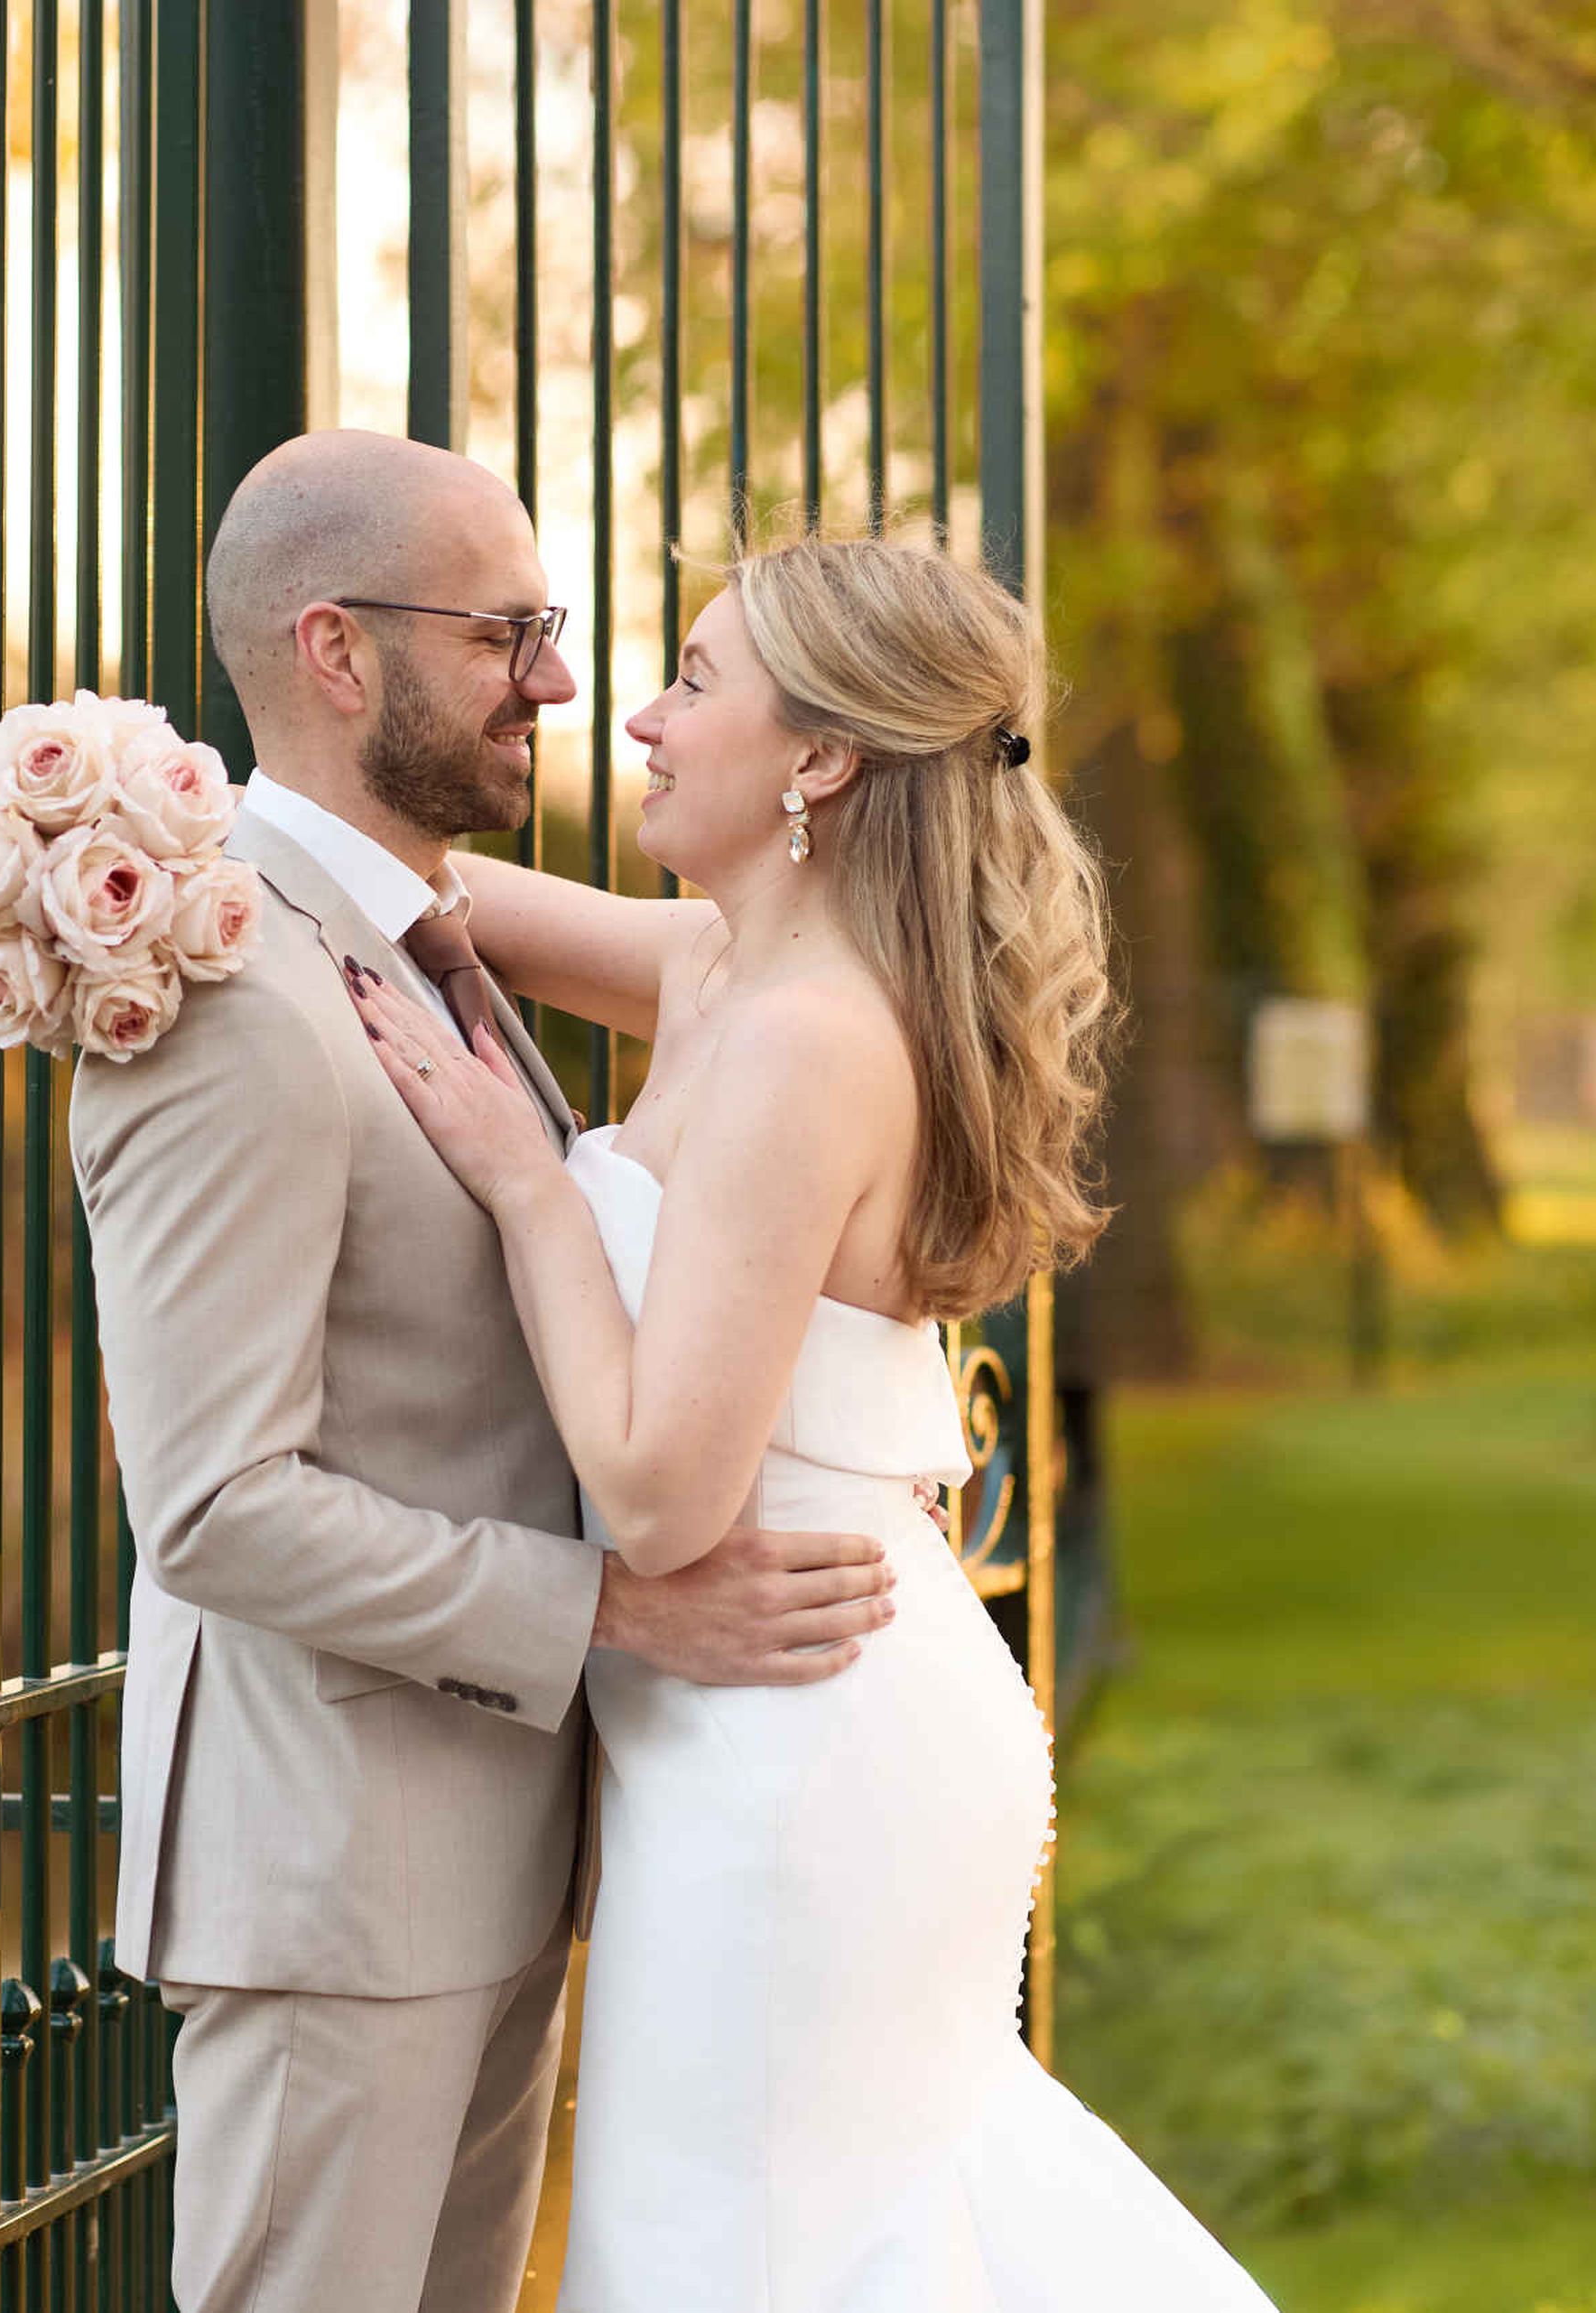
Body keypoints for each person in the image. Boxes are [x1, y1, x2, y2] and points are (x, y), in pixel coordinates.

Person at [348, 533, 1282, 2308]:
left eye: (695, 682)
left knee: (744, 2257)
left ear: (823, 759)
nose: (639, 717)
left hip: (795, 1752)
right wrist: (134, 826)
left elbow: (660, 1499)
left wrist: (531, 1185)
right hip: (780, 1724)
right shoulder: (722, 977)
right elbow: (402, 901)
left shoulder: (806, 1047)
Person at [69, 429, 903, 2313]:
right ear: (339, 653)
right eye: (509, 631)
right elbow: (215, 1508)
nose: (558, 678)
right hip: (336, 1878)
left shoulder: (429, 943)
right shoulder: (233, 1004)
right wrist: (620, 1610)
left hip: (502, 1853)